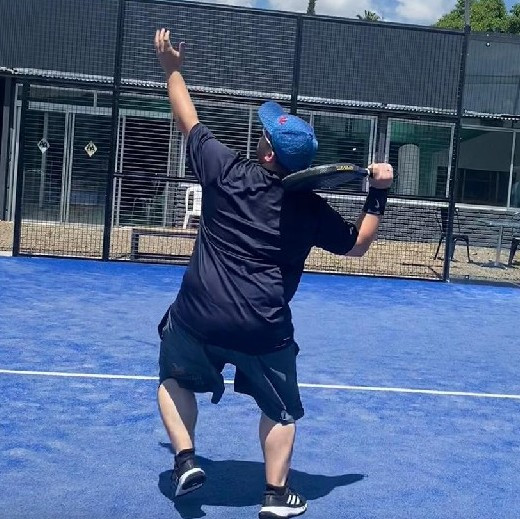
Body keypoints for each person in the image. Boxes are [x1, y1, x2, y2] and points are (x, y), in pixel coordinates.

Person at [154, 28, 393, 519]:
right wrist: (379, 193)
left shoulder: (225, 170)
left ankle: (185, 460)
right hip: (263, 326)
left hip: (198, 315)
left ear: (267, 154)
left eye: (264, 135)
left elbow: (187, 118)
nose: (260, 136)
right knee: (280, 409)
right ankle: (275, 495)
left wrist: (172, 69)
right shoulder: (311, 209)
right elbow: (358, 245)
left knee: (173, 378)